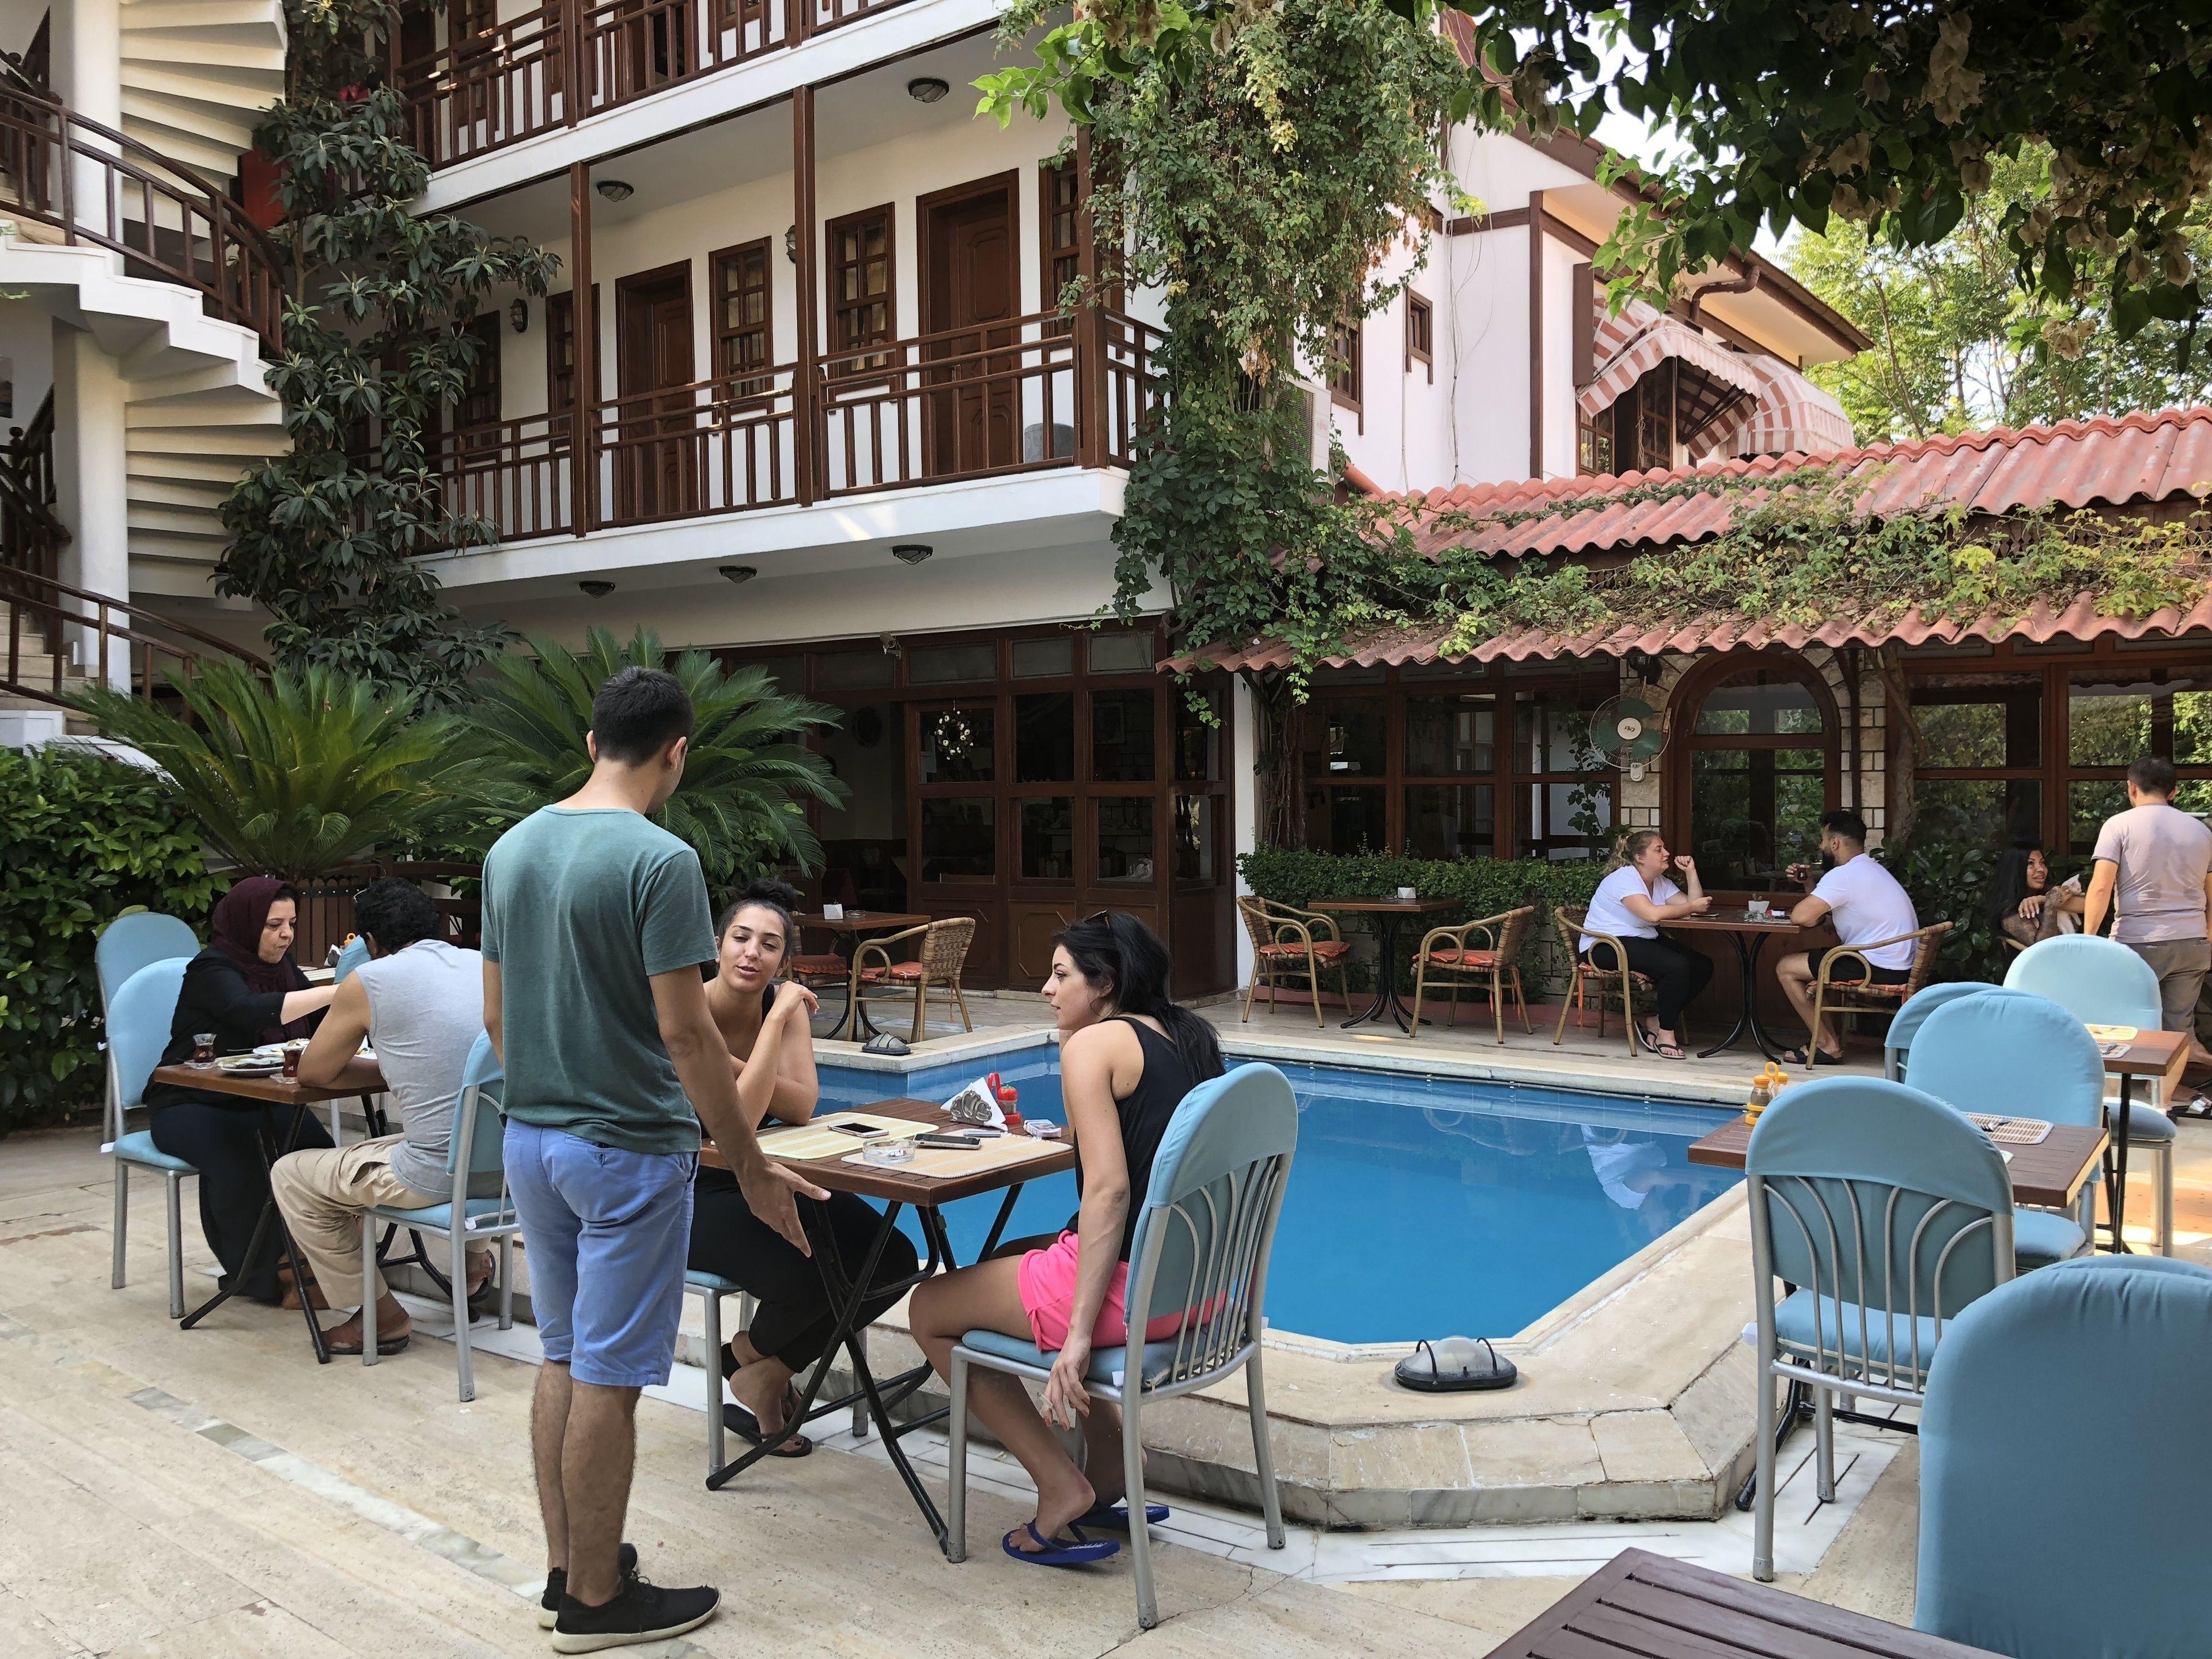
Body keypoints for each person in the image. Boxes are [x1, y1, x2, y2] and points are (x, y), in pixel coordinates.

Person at [482, 666, 826, 1653]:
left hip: (531, 1140)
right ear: (677, 754)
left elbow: (498, 1017)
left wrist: (551, 1095)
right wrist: (749, 1165)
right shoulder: (660, 860)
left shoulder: (510, 850)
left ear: (592, 743)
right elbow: (686, 1035)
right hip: (626, 1152)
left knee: (562, 1353)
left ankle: (568, 1571)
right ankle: (599, 1602)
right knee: (609, 1375)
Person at [908, 912, 1224, 1568]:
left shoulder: (1096, 1045)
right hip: (1199, 1286)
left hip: (1133, 1293)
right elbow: (1109, 1142)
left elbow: (1108, 1192)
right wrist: (1060, 1078)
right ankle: (1109, 1461)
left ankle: (1060, 1485)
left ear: (1103, 983)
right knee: (1004, 1257)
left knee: (929, 1309)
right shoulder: (1182, 1037)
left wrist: (1077, 1338)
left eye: (1060, 975)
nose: (1047, 990)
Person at [686, 879, 920, 1457]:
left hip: (762, 1177)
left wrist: (735, 1060)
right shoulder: (687, 1012)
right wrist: (772, 1029)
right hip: (686, 1189)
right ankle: (762, 1379)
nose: (752, 954)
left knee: (893, 1257)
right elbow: (741, 1122)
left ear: (783, 959)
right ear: (717, 945)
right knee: (812, 1273)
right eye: (741, 938)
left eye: (769, 945)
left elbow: (799, 1106)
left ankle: (757, 1365)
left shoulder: (780, 1005)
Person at [272, 878, 493, 1358]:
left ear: (370, 942)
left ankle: (381, 1316)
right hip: (515, 1169)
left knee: (291, 1174)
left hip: (437, 1175)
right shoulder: (486, 965)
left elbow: (315, 1072)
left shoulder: (371, 980)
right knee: (461, 1135)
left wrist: (388, 1062)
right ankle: (475, 1266)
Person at [146, 877, 338, 1306]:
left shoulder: (282, 969)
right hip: (188, 1101)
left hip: (257, 1097)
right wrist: (339, 991)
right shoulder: (212, 968)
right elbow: (246, 1011)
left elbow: (318, 1018)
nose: (285, 935)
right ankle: (262, 1276)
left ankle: (322, 1262)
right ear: (246, 923)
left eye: (291, 924)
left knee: (320, 1155)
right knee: (241, 1165)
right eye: (273, 925)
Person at [2082, 755, 2212, 1063]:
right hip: (2192, 942)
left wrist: (2088, 939)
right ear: (2174, 791)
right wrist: (2208, 934)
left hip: (2138, 942)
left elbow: (2100, 887)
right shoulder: (2202, 832)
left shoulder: (2119, 825)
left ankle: (2137, 1090)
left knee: (2127, 1027)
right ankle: (2173, 1086)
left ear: (2131, 787)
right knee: (2178, 1028)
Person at [1777, 810, 1921, 1066]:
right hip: (1896, 964)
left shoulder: (1843, 876)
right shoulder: (1873, 870)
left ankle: (1827, 1045)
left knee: (1786, 967)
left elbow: (1801, 917)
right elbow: (1830, 919)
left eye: (1823, 840)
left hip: (1876, 966)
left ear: (1835, 843)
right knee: (1814, 963)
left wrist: (1812, 905)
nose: (1821, 847)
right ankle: (1828, 1041)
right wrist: (1810, 885)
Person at [1575, 830, 1714, 1060]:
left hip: (1639, 939)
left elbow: (1695, 907)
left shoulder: (1660, 882)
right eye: (1659, 850)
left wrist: (1691, 872)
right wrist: (1692, 907)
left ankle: (1657, 1021)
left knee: (1702, 965)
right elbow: (1652, 914)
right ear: (1640, 858)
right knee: (1675, 966)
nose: (1667, 853)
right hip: (1604, 945)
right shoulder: (1625, 879)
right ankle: (1666, 1035)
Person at [1985, 842, 2082, 949]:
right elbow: (2044, 950)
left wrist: (2042, 899)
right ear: (2015, 870)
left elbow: (2090, 905)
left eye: (2042, 863)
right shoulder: (2010, 913)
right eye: (2031, 864)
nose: (2041, 869)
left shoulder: (2047, 892)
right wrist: (2051, 906)